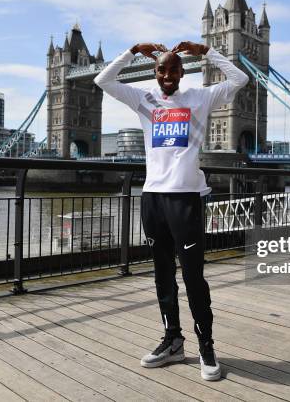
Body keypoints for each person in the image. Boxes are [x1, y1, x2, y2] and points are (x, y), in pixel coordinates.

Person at [95, 40, 249, 381]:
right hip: (152, 198)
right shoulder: (143, 98)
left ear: (182, 72)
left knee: (194, 277)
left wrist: (207, 52)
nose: (168, 74)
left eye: (174, 69)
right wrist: (132, 50)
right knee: (162, 274)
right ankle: (173, 340)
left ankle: (206, 346)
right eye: (162, 69)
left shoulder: (200, 97)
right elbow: (102, 81)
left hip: (186, 199)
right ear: (155, 72)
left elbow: (239, 80)